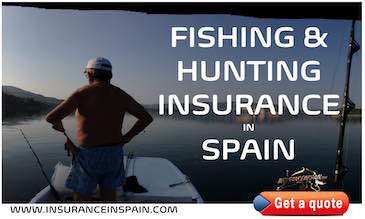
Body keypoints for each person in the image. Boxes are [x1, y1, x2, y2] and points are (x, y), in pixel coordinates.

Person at [46, 57, 153, 202]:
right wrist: (127, 137)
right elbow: (146, 118)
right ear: (110, 76)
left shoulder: (82, 93)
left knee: (80, 201)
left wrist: (64, 132)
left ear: (90, 74)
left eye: (86, 74)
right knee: (109, 198)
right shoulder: (121, 95)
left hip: (88, 155)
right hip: (114, 153)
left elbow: (51, 117)